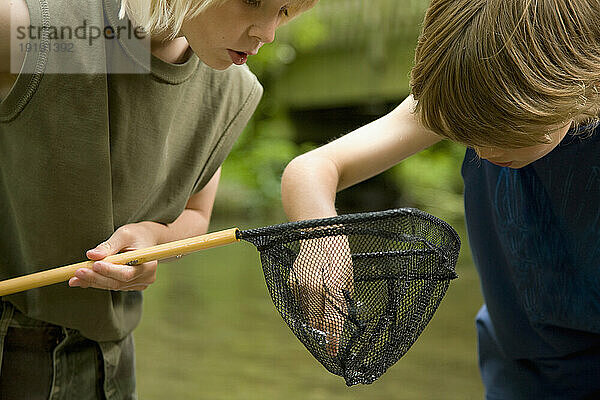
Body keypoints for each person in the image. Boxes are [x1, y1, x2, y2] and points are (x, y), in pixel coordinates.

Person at [281, 0, 600, 398]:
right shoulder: (464, 93)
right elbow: (314, 167)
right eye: (463, 134)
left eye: (503, 133)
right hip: (520, 364)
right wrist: (318, 238)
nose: (482, 153)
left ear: (567, 84)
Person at [0, 0, 316, 398]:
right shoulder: (43, 28)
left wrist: (154, 240)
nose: (267, 33)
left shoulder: (229, 87)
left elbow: (195, 214)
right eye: (253, 1)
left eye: (284, 11)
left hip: (110, 362)